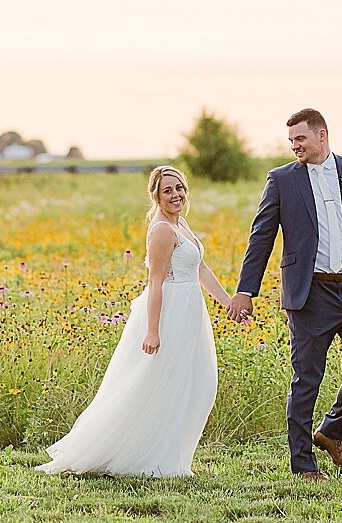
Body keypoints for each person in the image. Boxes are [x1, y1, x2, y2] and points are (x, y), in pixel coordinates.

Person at [37, 165, 233, 477]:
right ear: (156, 195)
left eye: (179, 188)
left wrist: (229, 303)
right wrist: (153, 331)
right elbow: (155, 283)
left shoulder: (181, 224)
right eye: (167, 190)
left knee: (195, 383)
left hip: (191, 312)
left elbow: (201, 268)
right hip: (169, 313)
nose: (175, 195)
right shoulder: (162, 230)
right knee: (159, 384)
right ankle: (146, 458)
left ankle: (169, 455)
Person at [227, 108, 342, 480]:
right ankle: (303, 464)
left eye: (300, 138)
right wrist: (245, 290)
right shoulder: (282, 180)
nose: (295, 146)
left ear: (322, 135)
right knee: (306, 380)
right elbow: (261, 236)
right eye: (291, 141)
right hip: (310, 294)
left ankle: (330, 430)